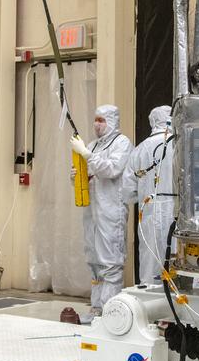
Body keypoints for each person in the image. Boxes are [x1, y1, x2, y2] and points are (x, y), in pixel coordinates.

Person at [70, 105, 132, 315]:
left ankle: (110, 311)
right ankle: (96, 307)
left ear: (112, 121)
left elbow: (111, 169)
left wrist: (86, 154)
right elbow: (87, 176)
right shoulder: (92, 145)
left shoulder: (122, 143)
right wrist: (76, 176)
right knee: (94, 260)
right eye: (95, 119)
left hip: (111, 211)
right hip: (92, 212)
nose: (96, 124)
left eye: (101, 120)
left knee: (110, 261)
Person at [121, 105, 175, 284]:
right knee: (178, 263)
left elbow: (128, 193)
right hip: (177, 216)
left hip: (149, 214)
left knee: (151, 264)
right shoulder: (180, 144)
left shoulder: (139, 150)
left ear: (152, 122)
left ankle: (151, 299)